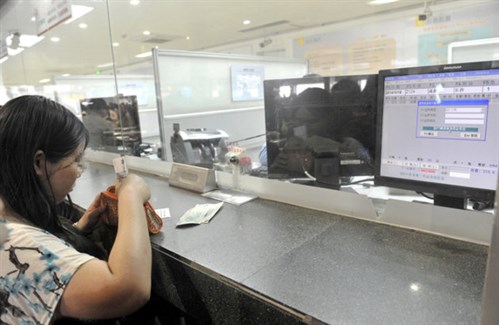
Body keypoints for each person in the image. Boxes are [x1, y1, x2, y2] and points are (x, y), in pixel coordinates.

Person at [0, 95, 152, 324]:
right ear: (38, 163)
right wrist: (131, 194)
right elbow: (126, 289)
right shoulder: (12, 242)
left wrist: (76, 230)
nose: (79, 171)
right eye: (75, 161)